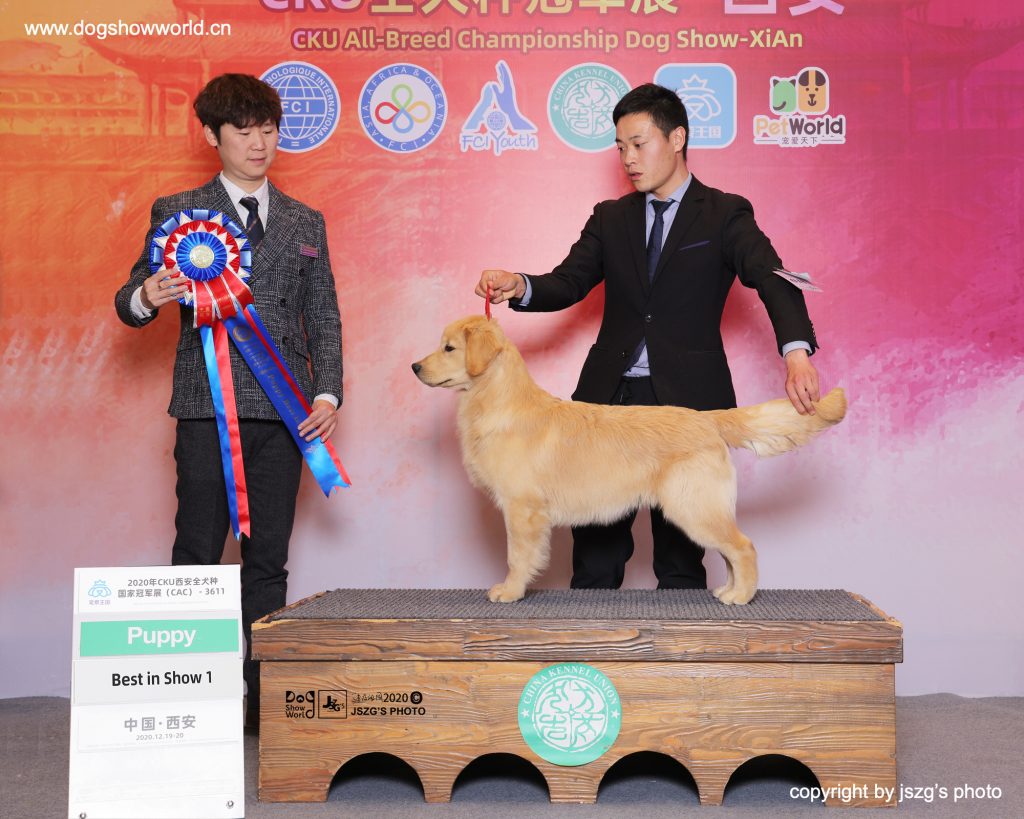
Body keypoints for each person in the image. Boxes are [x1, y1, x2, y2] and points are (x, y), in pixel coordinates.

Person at [476, 82, 820, 593]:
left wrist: (796, 353)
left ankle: (685, 645)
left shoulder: (725, 213)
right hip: (606, 406)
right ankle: (588, 644)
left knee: (681, 561)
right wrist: (520, 285)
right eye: (620, 148)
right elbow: (567, 281)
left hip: (686, 405)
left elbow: (772, 278)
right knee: (594, 561)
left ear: (676, 138)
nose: (629, 159)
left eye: (638, 144)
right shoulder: (609, 218)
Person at [114, 74, 343, 728]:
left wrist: (328, 391)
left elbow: (324, 315)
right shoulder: (178, 209)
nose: (259, 143)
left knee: (268, 561)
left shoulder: (305, 220)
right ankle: (186, 702)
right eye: (243, 131)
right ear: (213, 136)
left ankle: (261, 707)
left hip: (286, 413)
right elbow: (129, 300)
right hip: (204, 408)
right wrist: (148, 295)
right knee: (196, 552)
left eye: (268, 130)